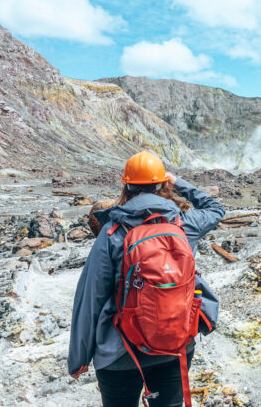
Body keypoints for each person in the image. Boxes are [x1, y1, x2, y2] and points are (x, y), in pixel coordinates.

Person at [68, 151, 225, 407]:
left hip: (120, 353)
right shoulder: (185, 224)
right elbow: (216, 209)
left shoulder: (112, 233)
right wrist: (178, 182)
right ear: (163, 184)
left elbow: (90, 299)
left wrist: (79, 358)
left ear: (126, 185)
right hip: (175, 345)